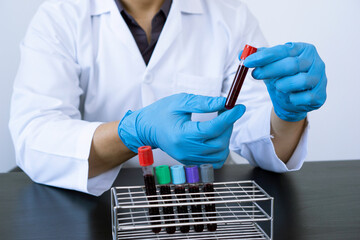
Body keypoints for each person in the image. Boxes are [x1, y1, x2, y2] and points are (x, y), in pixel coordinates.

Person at [9, 0, 327, 196]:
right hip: (99, 210)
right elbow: (34, 136)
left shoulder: (229, 15)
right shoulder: (59, 15)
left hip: (200, 203)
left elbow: (261, 137)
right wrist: (132, 132)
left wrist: (288, 114)